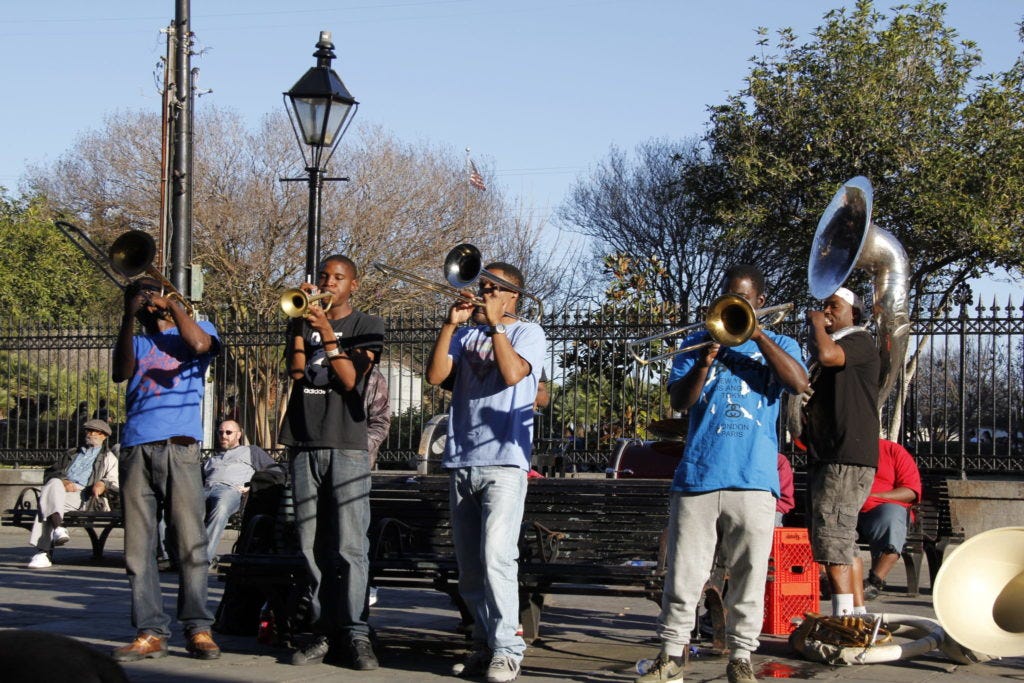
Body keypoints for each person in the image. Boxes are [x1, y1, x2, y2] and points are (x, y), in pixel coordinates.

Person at [637, 264, 808, 683]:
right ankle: (671, 655)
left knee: (749, 575)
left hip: (753, 479)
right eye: (729, 296)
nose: (734, 303)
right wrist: (704, 361)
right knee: (684, 574)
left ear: (760, 302)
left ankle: (741, 656)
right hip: (699, 476)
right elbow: (680, 402)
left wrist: (758, 336)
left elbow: (798, 382)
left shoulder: (781, 343)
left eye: (743, 298)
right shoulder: (696, 342)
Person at [426, 262, 546, 683]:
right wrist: (449, 325)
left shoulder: (529, 333)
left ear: (513, 296)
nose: (483, 293)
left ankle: (509, 650)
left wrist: (496, 326)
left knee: (497, 557)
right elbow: (435, 375)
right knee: (471, 566)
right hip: (462, 459)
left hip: (505, 462)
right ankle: (484, 643)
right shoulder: (466, 334)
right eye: (482, 286)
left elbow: (512, 375)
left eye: (493, 288)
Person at [279, 255, 384, 670]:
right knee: (311, 544)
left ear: (353, 285)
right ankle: (323, 630)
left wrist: (326, 331)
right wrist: (299, 325)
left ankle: (356, 632)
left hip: (347, 445)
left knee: (350, 546)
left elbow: (350, 379)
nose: (328, 283)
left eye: (338, 278)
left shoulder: (367, 325)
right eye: (324, 276)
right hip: (304, 441)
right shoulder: (303, 323)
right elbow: (297, 372)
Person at [110, 276, 222, 662]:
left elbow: (201, 346)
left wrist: (172, 306)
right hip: (136, 447)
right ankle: (150, 632)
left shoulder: (200, 328)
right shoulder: (137, 341)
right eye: (139, 297)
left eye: (150, 294)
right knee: (138, 548)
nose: (146, 301)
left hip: (180, 446)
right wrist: (129, 316)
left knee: (190, 542)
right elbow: (120, 371)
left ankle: (198, 627)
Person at [803, 286, 880, 617]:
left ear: (854, 313)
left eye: (834, 306)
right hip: (831, 454)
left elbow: (828, 356)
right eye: (824, 306)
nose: (826, 311)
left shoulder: (859, 340)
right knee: (842, 540)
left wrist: (816, 324)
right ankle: (857, 615)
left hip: (844, 456)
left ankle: (843, 620)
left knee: (832, 538)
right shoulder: (840, 341)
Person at [27, 418, 119, 569]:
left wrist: (102, 483)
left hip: (84, 495)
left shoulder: (109, 458)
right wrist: (63, 481)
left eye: (94, 431)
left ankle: (43, 552)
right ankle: (58, 528)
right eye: (88, 431)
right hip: (60, 489)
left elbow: (114, 482)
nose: (89, 434)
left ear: (104, 435)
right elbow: (51, 472)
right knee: (54, 483)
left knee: (45, 503)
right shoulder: (72, 453)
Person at [203, 419, 284, 565]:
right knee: (179, 507)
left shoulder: (251, 451)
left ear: (238, 435)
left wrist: (252, 486)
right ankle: (171, 556)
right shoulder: (212, 459)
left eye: (228, 432)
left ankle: (202, 559)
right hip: (205, 489)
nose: (224, 436)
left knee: (221, 508)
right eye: (220, 432)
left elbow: (275, 471)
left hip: (230, 490)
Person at [858, 439, 921, 600]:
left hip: (880, 508)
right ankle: (824, 580)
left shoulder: (893, 451)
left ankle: (875, 581)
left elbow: (910, 491)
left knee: (891, 517)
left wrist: (874, 497)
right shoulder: (840, 449)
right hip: (846, 507)